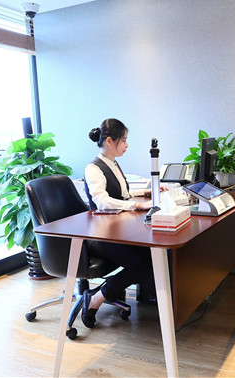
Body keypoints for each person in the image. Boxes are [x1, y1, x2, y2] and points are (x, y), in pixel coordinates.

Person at [81, 118, 160, 328]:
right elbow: (103, 201)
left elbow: (122, 194)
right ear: (109, 141)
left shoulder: (113, 164)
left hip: (116, 231)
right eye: (123, 140)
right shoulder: (93, 169)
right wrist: (137, 205)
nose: (126, 145)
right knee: (140, 264)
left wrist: (146, 192)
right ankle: (96, 298)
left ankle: (111, 289)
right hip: (100, 236)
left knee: (150, 254)